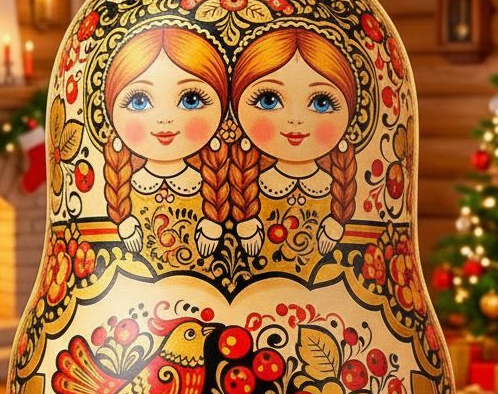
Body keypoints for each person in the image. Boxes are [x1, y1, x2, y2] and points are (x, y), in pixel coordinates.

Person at [102, 25, 230, 260]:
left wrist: (214, 224)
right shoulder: (127, 185)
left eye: (190, 99)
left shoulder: (208, 184)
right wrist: (124, 223)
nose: (164, 119)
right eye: (139, 101)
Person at [231, 27, 359, 258]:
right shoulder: (247, 185)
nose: (295, 120)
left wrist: (337, 224)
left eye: (321, 102)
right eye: (268, 100)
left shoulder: (336, 187)